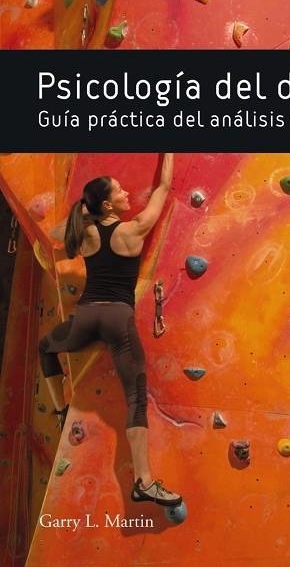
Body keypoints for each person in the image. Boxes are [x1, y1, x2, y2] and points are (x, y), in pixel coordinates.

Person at [40, 153, 182, 506]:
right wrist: (169, 151)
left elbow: (55, 233)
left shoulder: (85, 232)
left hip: (87, 318)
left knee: (45, 347)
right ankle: (143, 482)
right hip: (118, 320)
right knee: (135, 399)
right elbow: (164, 187)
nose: (126, 193)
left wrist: (85, 211)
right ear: (108, 204)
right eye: (119, 191)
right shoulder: (135, 229)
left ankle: (60, 410)